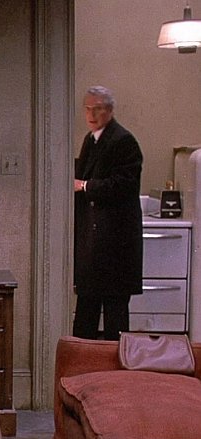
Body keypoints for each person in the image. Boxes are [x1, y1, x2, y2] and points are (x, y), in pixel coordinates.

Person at [73, 85, 143, 341]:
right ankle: (82, 357)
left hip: (115, 243)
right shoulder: (91, 139)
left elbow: (124, 184)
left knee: (115, 314)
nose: (92, 115)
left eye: (98, 109)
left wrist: (85, 186)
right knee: (86, 310)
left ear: (110, 110)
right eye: (88, 109)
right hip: (94, 242)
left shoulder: (123, 141)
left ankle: (116, 362)